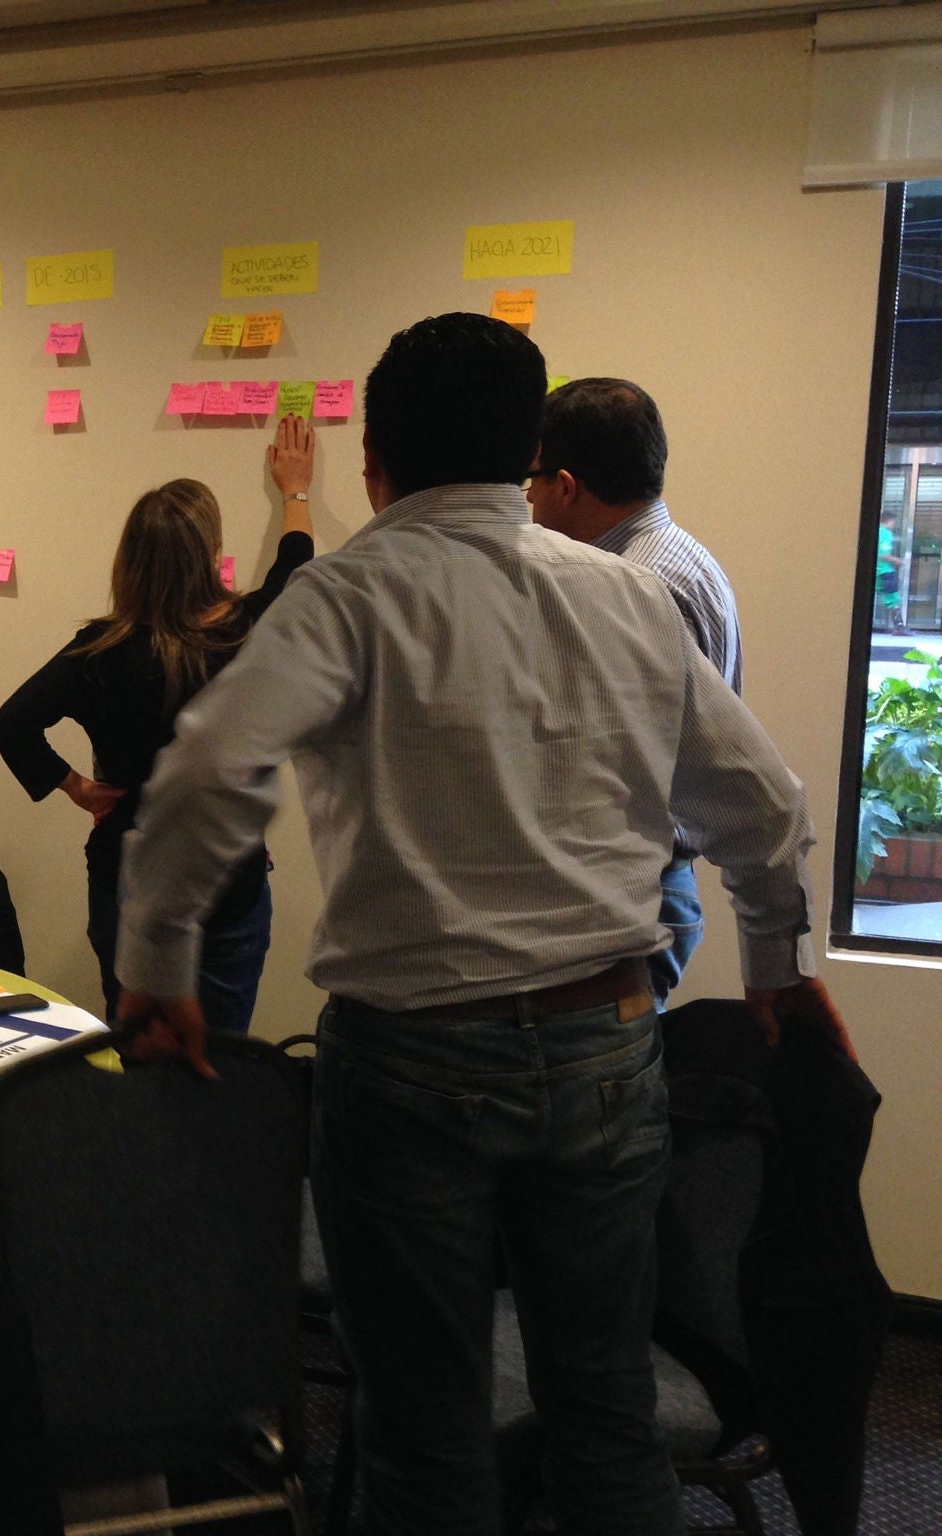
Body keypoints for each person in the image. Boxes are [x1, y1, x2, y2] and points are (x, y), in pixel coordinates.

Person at [114, 311, 850, 1536]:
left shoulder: (347, 595)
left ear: (371, 461)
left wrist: (157, 962)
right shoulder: (623, 598)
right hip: (606, 1046)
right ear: (527, 460)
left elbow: (204, 776)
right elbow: (761, 805)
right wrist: (770, 960)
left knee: (421, 1425)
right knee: (606, 1410)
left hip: (408, 1068)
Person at [0, 415, 318, 1031]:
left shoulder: (97, 649)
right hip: (227, 871)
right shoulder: (241, 634)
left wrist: (76, 788)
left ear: (130, 559)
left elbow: (13, 724)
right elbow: (295, 570)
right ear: (211, 553)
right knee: (219, 1055)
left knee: (140, 1048)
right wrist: (295, 493)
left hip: (128, 869)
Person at [528, 377, 742, 1006]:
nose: (529, 504)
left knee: (602, 1095)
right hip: (650, 887)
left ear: (565, 487)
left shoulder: (633, 584)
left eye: (531, 484)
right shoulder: (681, 556)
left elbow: (615, 764)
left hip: (633, 895)